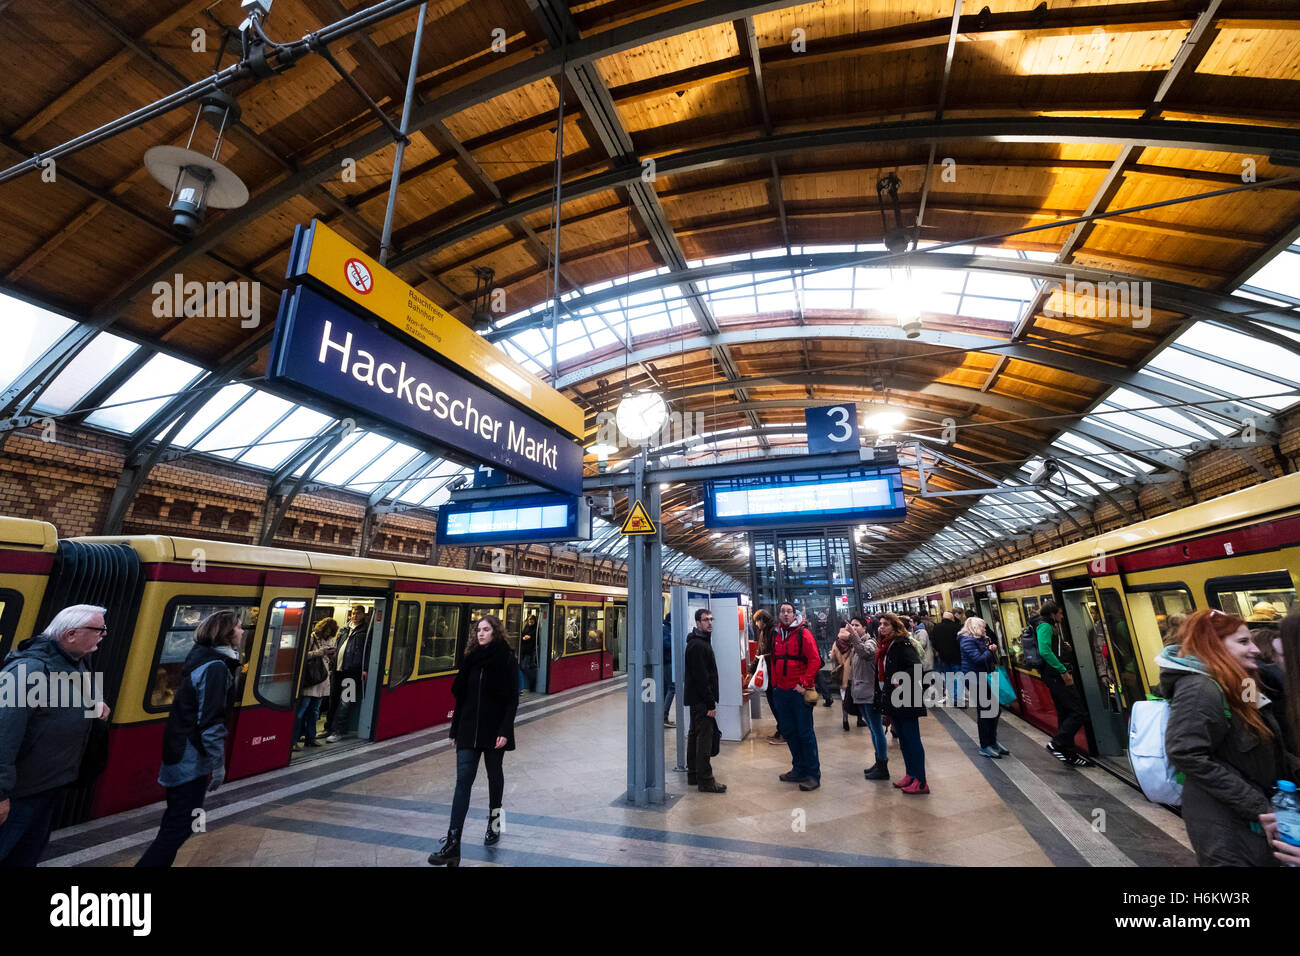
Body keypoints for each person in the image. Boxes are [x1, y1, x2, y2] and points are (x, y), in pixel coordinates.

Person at [1160, 609, 1299, 867]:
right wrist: (1257, 804)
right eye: (1243, 642)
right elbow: (1184, 752)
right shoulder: (1199, 689)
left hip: (1253, 819)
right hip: (1226, 826)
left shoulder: (1242, 684)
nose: (1256, 650)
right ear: (1213, 645)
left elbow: (1267, 739)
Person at [0, 605, 111, 867]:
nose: (104, 634)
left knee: (25, 857)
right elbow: (3, 734)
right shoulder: (28, 670)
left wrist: (96, 706)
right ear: (71, 634)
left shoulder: (77, 664)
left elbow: (74, 703)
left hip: (48, 788)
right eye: (99, 629)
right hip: (19, 795)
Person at [137, 610, 243, 867]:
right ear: (226, 633)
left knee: (178, 822)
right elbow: (210, 720)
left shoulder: (201, 658)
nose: (242, 631)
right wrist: (218, 765)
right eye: (239, 627)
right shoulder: (216, 666)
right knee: (180, 825)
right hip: (189, 755)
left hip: (181, 749)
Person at [428, 614, 520, 867]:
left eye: (486, 629)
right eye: (478, 630)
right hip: (468, 729)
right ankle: (453, 842)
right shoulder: (471, 659)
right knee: (462, 784)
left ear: (495, 632)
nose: (480, 634)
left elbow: (512, 698)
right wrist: (454, 729)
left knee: (494, 777)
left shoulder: (505, 659)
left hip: (494, 731)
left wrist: (505, 730)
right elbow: (462, 698)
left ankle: (495, 824)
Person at [771, 601, 822, 791]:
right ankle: (799, 769)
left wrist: (804, 683)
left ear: (794, 614)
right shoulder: (776, 634)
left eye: (789, 611)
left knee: (805, 733)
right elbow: (774, 660)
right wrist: (775, 685)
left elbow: (815, 660)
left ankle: (813, 775)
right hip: (781, 692)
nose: (785, 614)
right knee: (789, 731)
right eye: (782, 611)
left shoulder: (803, 633)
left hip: (798, 693)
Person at [1034, 599, 1090, 767]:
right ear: (1053, 613)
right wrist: (1062, 670)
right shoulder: (1045, 626)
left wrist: (1064, 648)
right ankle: (1056, 744)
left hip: (1054, 675)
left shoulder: (1050, 625)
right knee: (1078, 712)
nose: (1063, 616)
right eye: (1060, 613)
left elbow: (1050, 647)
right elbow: (1044, 650)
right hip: (1055, 676)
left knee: (1065, 713)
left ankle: (1069, 753)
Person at [881, 611, 929, 794]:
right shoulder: (891, 644)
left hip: (906, 698)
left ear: (895, 626)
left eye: (886, 624)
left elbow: (916, 666)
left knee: (912, 740)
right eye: (881, 624)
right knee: (904, 740)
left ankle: (921, 781)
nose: (882, 627)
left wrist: (900, 680)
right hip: (896, 699)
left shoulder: (903, 643)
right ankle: (911, 774)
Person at [684, 608, 725, 793]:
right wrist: (710, 703)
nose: (710, 623)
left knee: (695, 736)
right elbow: (702, 678)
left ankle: (693, 774)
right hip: (702, 701)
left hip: (696, 699)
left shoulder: (698, 642)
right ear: (698, 623)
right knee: (704, 740)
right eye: (705, 620)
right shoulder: (699, 646)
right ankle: (706, 780)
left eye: (711, 619)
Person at [847, 615, 890, 780]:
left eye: (857, 625)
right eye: (852, 625)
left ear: (864, 628)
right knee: (873, 729)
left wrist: (854, 637)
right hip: (861, 693)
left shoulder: (870, 642)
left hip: (870, 694)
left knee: (877, 729)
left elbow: (866, 653)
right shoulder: (856, 645)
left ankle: (883, 764)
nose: (854, 627)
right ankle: (878, 761)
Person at [959, 616, 1008, 758]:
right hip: (974, 679)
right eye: (982, 627)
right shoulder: (966, 641)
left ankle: (993, 742)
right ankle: (985, 745)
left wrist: (989, 649)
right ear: (974, 627)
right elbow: (978, 659)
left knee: (995, 710)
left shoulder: (981, 640)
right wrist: (990, 650)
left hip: (985, 677)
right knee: (986, 711)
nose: (984, 629)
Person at [326, 606, 370, 742]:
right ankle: (329, 728)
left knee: (345, 701)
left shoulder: (366, 630)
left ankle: (339, 731)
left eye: (358, 613)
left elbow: (368, 650)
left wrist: (365, 668)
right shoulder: (344, 629)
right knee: (333, 698)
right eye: (353, 613)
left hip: (353, 671)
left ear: (363, 615)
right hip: (338, 670)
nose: (355, 616)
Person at [294, 618, 336, 750]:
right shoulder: (311, 638)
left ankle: (310, 738)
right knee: (301, 711)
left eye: (330, 632)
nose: (327, 634)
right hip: (311, 680)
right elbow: (302, 655)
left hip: (322, 680)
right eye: (326, 631)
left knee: (315, 712)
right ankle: (293, 740)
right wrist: (320, 652)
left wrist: (330, 655)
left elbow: (327, 660)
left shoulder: (329, 641)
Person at [752, 609, 781, 744]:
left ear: (762, 620)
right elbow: (760, 652)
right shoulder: (766, 631)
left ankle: (783, 732)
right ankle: (781, 729)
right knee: (773, 703)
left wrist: (761, 659)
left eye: (757, 621)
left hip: (773, 673)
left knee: (776, 703)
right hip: (769, 671)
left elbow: (771, 652)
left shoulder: (772, 631)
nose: (756, 625)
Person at [829, 627, 856, 732]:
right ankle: (859, 719)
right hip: (853, 674)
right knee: (857, 698)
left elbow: (832, 658)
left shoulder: (836, 643)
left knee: (844, 698)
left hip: (842, 675)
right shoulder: (853, 644)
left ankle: (845, 720)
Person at [662, 613, 676, 728]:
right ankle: (664, 716)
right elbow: (666, 644)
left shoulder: (668, 628)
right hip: (667, 662)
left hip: (668, 661)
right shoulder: (665, 629)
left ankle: (663, 716)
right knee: (672, 688)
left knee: (667, 688)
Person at [520, 613, 538, 690]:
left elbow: (534, 638)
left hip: (529, 651)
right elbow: (522, 635)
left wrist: (529, 637)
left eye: (532, 620)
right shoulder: (525, 627)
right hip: (523, 650)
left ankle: (532, 680)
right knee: (522, 667)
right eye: (530, 619)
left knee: (524, 667)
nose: (531, 621)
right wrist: (523, 638)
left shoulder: (535, 629)